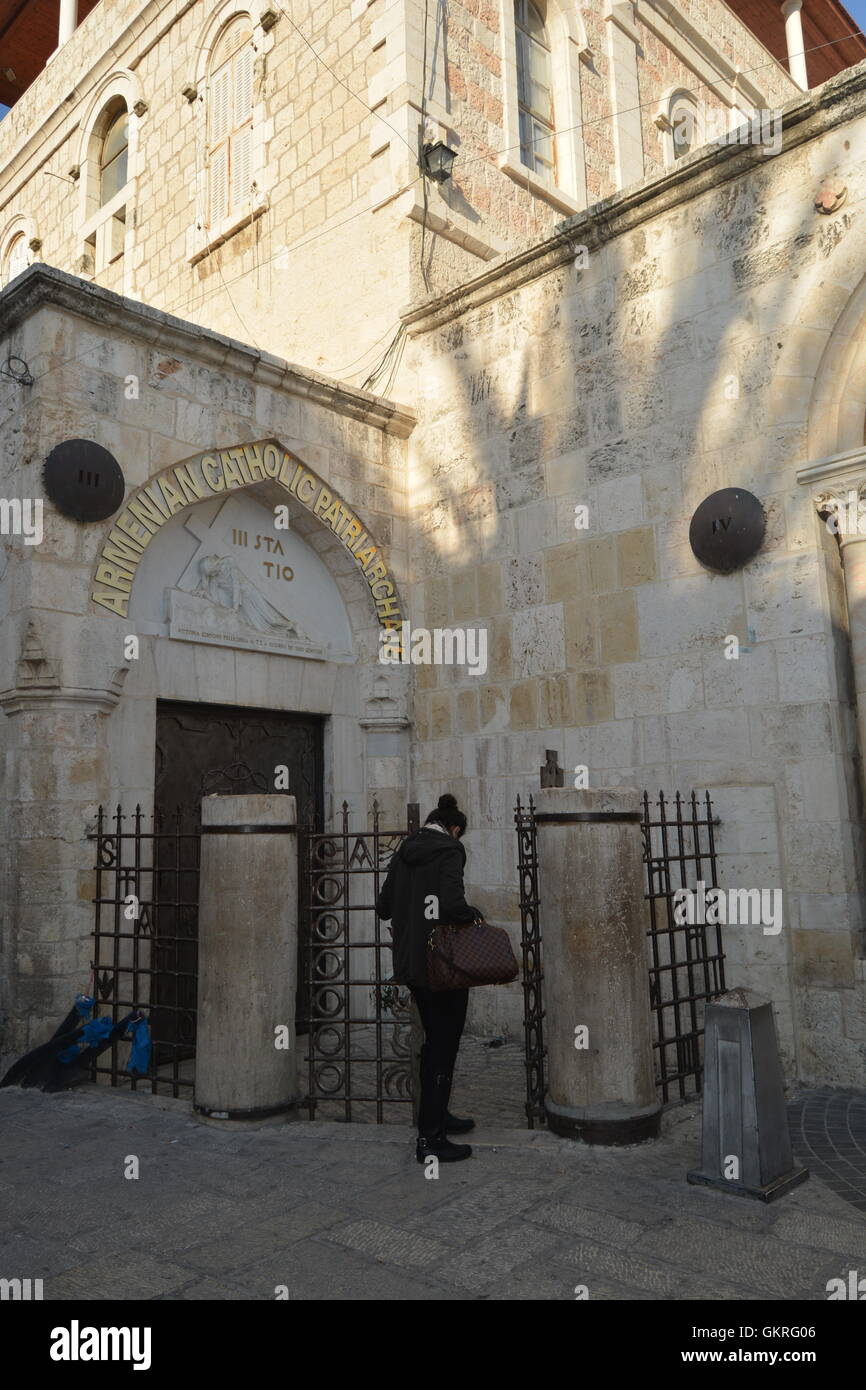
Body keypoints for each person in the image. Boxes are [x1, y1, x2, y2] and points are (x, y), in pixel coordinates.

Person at [376, 793, 480, 1163]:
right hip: (443, 966)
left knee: (433, 1045)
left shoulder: (407, 850)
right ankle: (430, 1139)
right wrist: (473, 915)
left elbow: (383, 906)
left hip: (412, 965)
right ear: (454, 829)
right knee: (443, 1047)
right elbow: (452, 905)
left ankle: (436, 1117)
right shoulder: (449, 850)